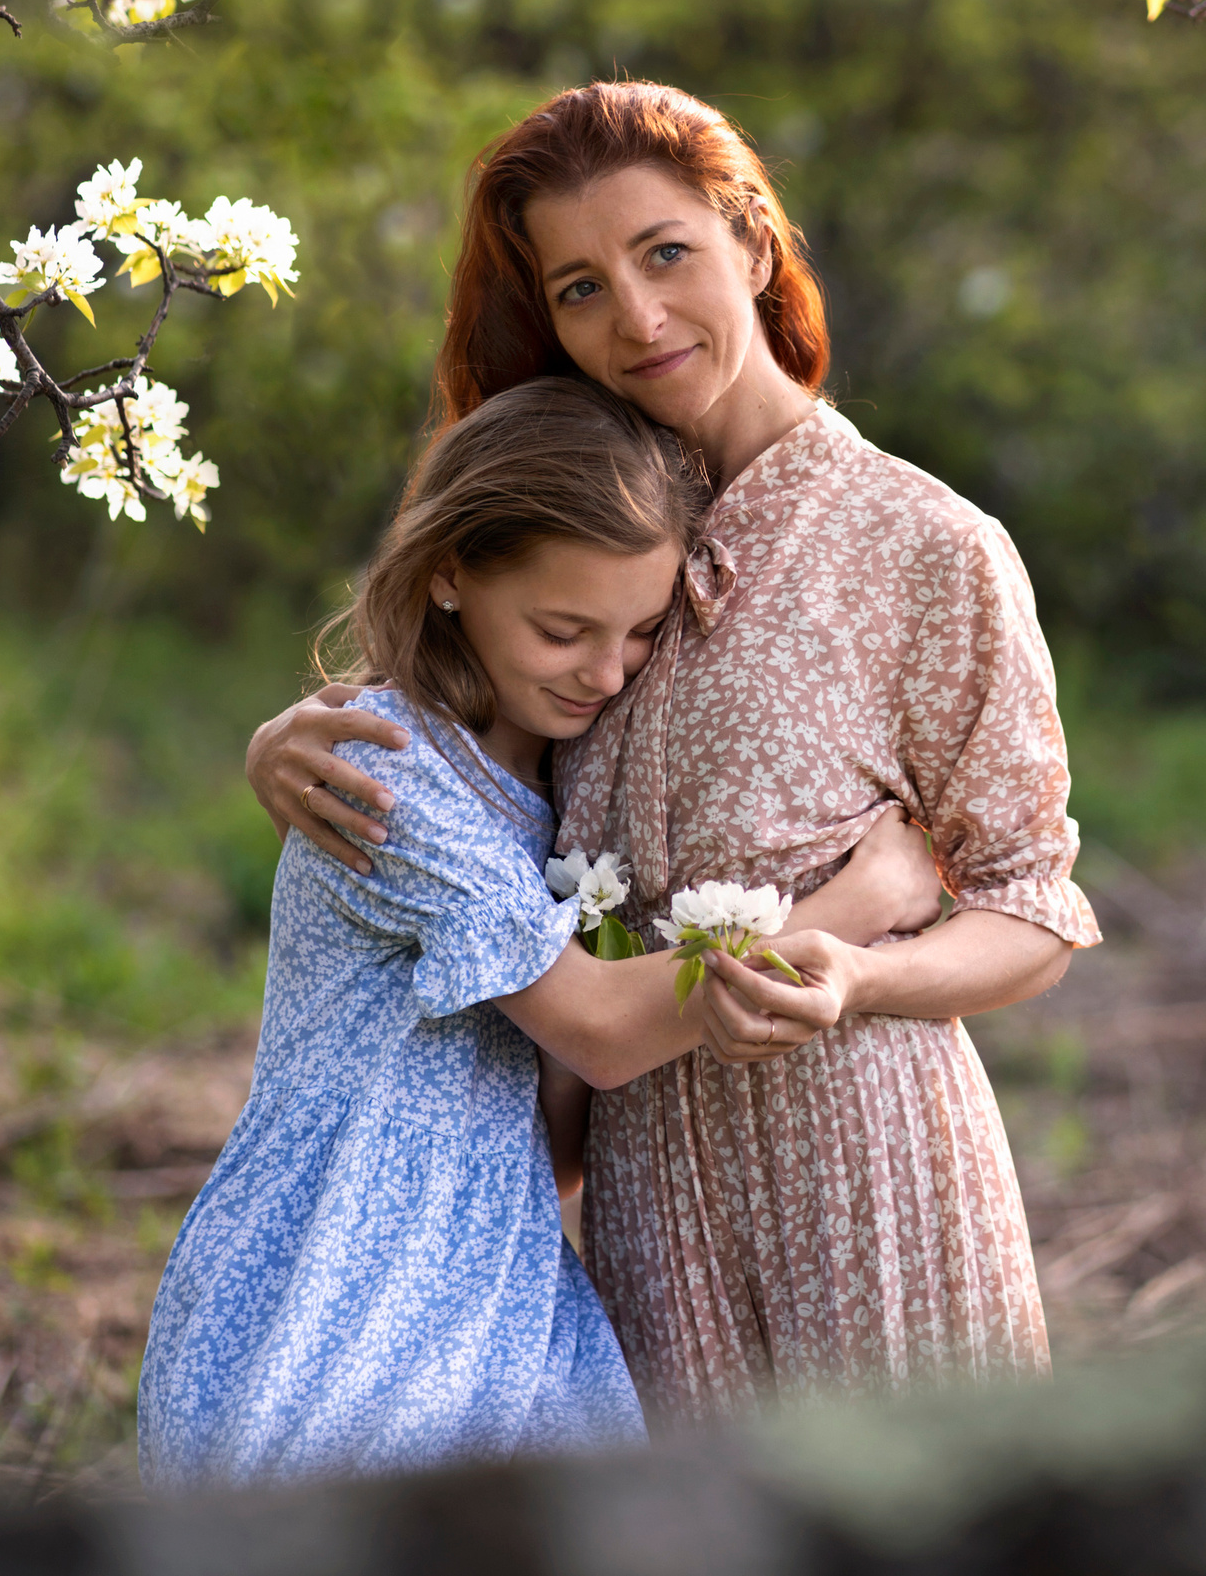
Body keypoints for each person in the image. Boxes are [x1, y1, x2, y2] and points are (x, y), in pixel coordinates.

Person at [248, 81, 1101, 1427]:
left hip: (864, 1164)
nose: (638, 319)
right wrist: (287, 736)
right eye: (581, 288)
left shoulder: (926, 548)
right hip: (647, 1193)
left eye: (666, 254)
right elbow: (458, 735)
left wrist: (864, 975)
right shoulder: (585, 525)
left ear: (751, 242)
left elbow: (1032, 910)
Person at [141, 379, 941, 1488]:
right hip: (342, 1286)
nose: (605, 674)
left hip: (493, 1280)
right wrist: (856, 903)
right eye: (563, 631)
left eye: (641, 633)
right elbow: (601, 1030)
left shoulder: (556, 794)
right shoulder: (387, 767)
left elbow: (555, 1120)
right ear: (449, 573)